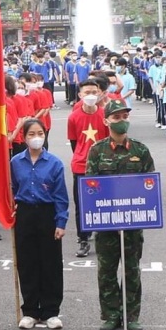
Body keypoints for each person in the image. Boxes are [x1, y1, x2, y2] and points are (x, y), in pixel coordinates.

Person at [87, 100, 154, 330]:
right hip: (106, 225)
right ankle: (110, 315)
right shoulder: (97, 151)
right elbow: (91, 188)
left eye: (125, 116)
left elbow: (149, 186)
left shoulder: (140, 150)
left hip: (133, 224)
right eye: (116, 117)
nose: (121, 121)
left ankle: (131, 315)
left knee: (131, 270)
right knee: (106, 272)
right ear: (106, 121)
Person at [10, 118, 68, 329]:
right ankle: (31, 311)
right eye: (32, 134)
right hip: (25, 214)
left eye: (40, 134)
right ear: (24, 137)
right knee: (27, 263)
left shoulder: (54, 163)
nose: (36, 138)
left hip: (47, 213)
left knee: (51, 263)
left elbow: (61, 196)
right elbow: (12, 188)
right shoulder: (15, 162)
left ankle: (51, 311)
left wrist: (61, 222)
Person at [65, 77, 107, 258]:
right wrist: (82, 156)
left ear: (100, 94)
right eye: (87, 92)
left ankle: (102, 236)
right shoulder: (73, 117)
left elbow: (108, 141)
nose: (91, 95)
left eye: (94, 92)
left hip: (102, 166)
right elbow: (74, 143)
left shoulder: (105, 115)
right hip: (81, 166)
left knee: (102, 203)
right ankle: (83, 239)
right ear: (80, 95)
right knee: (81, 205)